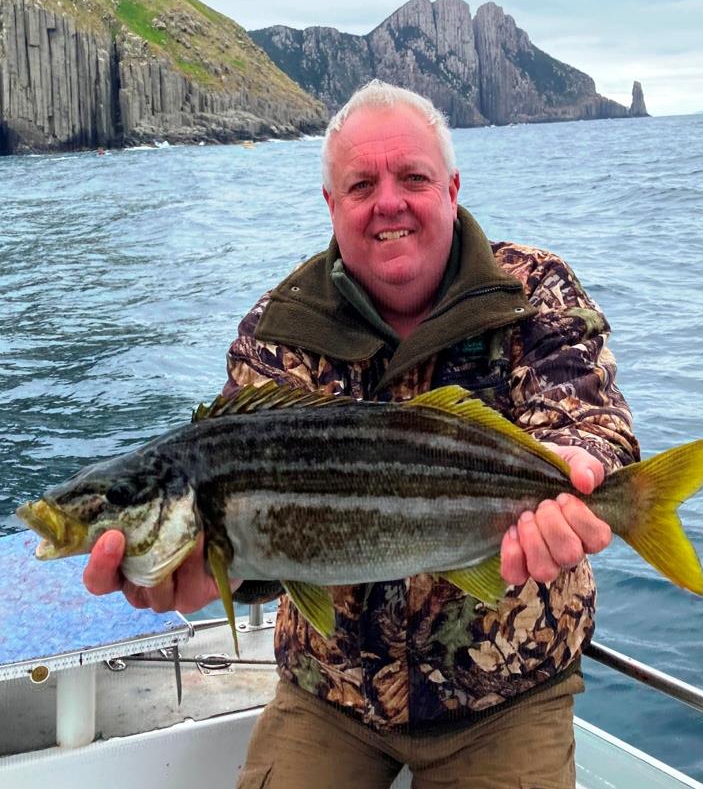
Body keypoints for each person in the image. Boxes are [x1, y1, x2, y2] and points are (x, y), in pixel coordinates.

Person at [84, 80, 639, 788]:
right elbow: (254, 520)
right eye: (360, 184)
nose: (388, 202)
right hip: (331, 691)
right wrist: (211, 573)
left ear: (451, 187)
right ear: (329, 202)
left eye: (412, 177)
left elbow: (588, 416)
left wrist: (581, 465)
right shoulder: (277, 328)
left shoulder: (534, 288)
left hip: (510, 688)